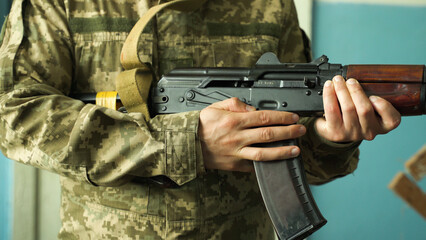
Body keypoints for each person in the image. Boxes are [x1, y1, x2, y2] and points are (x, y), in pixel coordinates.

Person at [0, 0, 401, 239]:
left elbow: (298, 152)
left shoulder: (270, 5)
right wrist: (186, 142)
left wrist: (333, 139)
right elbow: (12, 114)